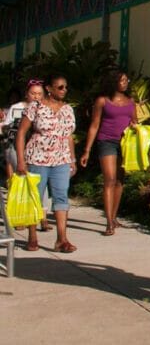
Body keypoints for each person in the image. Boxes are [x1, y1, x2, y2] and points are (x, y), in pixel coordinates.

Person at [15, 74, 77, 253]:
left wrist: (72, 159)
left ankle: (62, 239)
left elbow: (68, 136)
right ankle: (32, 237)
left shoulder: (67, 110)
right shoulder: (36, 107)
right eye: (60, 87)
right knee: (35, 196)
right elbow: (21, 133)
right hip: (37, 158)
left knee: (61, 197)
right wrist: (21, 160)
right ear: (49, 88)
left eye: (65, 87)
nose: (64, 90)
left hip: (61, 159)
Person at [79, 69, 138, 236]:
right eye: (122, 80)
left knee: (120, 181)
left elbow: (135, 121)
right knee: (109, 179)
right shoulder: (102, 101)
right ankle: (108, 222)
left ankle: (114, 216)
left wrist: (134, 125)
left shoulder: (131, 101)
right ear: (113, 82)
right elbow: (94, 125)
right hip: (107, 142)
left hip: (125, 143)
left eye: (127, 80)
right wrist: (87, 150)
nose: (126, 83)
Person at [3, 81, 43, 181]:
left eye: (39, 94)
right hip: (15, 146)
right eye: (33, 93)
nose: (36, 97)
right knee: (22, 176)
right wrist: (14, 125)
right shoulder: (16, 107)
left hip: (37, 150)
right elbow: (6, 126)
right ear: (26, 94)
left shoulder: (45, 109)